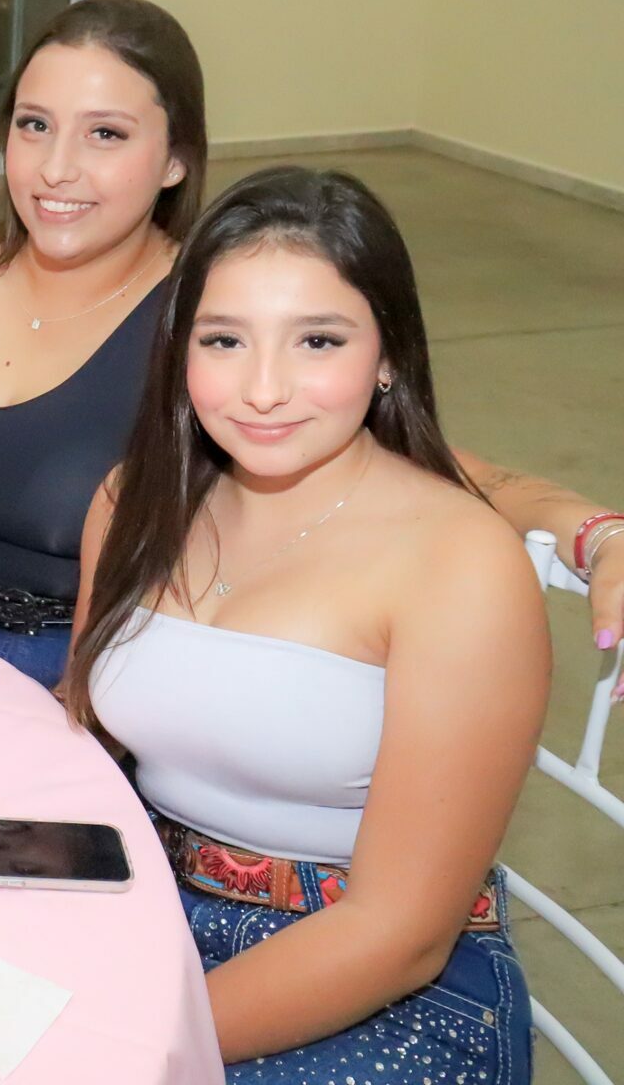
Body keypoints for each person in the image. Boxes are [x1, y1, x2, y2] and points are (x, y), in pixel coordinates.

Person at [0, 0, 624, 689]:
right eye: (35, 125)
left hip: (93, 675)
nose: (56, 169)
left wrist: (597, 533)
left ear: (175, 160)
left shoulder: (212, 315)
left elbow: (420, 468)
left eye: (105, 135)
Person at [67, 167, 545, 1076]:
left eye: (317, 341)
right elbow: (84, 730)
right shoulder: (134, 502)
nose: (263, 389)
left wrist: (130, 1046)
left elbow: (399, 935)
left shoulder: (460, 565)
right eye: (224, 340)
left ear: (388, 354)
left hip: (372, 974)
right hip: (148, 905)